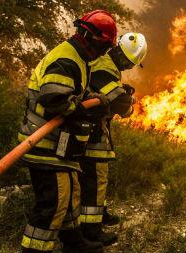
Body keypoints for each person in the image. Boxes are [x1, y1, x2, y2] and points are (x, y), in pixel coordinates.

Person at [18, 10, 118, 253]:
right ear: (91, 38)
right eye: (104, 46)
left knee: (70, 193)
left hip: (58, 144)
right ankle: (34, 249)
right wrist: (84, 109)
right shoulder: (67, 59)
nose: (104, 52)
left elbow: (72, 93)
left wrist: (91, 99)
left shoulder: (79, 58)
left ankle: (74, 242)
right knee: (54, 202)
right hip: (43, 141)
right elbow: (54, 98)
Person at [78, 32, 148, 246]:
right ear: (122, 56)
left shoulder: (106, 63)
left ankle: (100, 214)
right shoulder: (105, 67)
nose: (128, 67)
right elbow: (118, 102)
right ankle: (92, 230)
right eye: (128, 63)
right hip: (92, 133)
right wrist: (129, 102)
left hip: (93, 129)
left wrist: (121, 92)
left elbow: (109, 92)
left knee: (95, 179)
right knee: (95, 179)